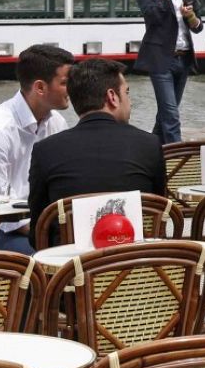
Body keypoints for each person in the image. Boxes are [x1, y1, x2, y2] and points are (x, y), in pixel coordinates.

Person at [28, 59, 167, 244]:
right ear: (112, 97)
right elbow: (159, 214)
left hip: (70, 268)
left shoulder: (44, 150)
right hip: (136, 264)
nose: (130, 102)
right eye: (126, 92)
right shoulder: (148, 144)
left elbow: (38, 232)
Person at [0, 44, 73, 253]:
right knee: (44, 259)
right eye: (66, 83)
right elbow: (2, 207)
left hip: (41, 222)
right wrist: (51, 236)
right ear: (40, 87)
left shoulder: (56, 122)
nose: (72, 89)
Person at [134, 0, 203, 143]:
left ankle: (152, 152)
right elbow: (153, 16)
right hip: (161, 59)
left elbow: (199, 27)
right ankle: (177, 164)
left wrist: (190, 16)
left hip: (184, 59)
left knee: (165, 115)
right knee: (171, 116)